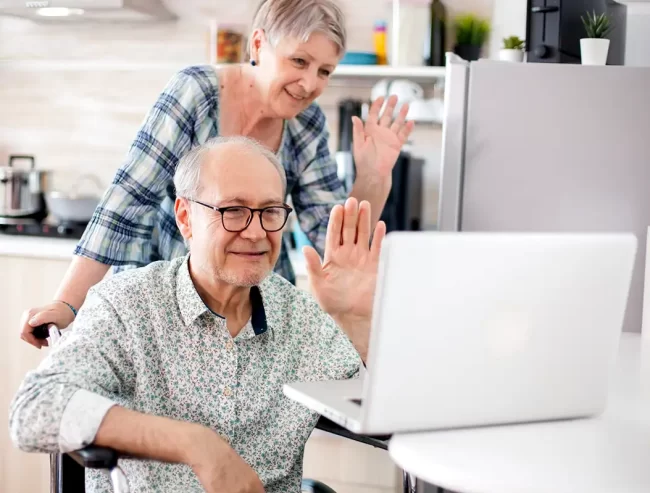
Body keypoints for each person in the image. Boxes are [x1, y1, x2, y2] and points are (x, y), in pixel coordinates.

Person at [20, 0, 413, 349]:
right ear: (259, 44)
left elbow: (334, 240)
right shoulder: (196, 92)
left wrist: (374, 175)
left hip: (250, 305)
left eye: (325, 71)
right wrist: (68, 303)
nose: (311, 83)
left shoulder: (305, 123)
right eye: (299, 61)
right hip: (165, 302)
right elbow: (126, 204)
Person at [9, 136, 383, 493]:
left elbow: (384, 416)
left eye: (270, 211)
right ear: (185, 218)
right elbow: (33, 410)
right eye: (233, 211)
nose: (255, 232)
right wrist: (196, 445)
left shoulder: (301, 319)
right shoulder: (126, 306)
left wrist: (359, 330)